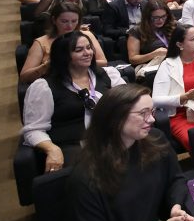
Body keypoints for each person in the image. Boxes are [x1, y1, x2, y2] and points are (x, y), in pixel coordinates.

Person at [65, 84, 194, 221]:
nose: (152, 119)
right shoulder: (86, 177)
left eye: (151, 112)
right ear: (115, 119)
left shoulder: (156, 140)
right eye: (142, 113)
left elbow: (176, 179)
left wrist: (175, 208)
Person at [21, 31, 125, 174]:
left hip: (110, 135)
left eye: (89, 48)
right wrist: (52, 149)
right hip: (73, 144)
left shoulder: (107, 74)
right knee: (93, 170)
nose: (87, 53)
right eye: (79, 50)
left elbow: (127, 103)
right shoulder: (44, 87)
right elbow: (33, 130)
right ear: (63, 56)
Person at [20, 3, 108, 83]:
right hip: (56, 84)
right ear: (54, 20)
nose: (70, 26)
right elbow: (24, 77)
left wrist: (76, 62)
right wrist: (47, 66)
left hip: (87, 79)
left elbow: (103, 62)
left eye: (74, 21)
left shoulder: (87, 35)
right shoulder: (41, 42)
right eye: (64, 21)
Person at [127, 0, 175, 74]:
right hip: (151, 67)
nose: (160, 20)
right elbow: (133, 59)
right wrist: (154, 54)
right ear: (147, 17)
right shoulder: (137, 31)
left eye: (163, 16)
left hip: (173, 62)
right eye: (155, 17)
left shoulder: (172, 25)